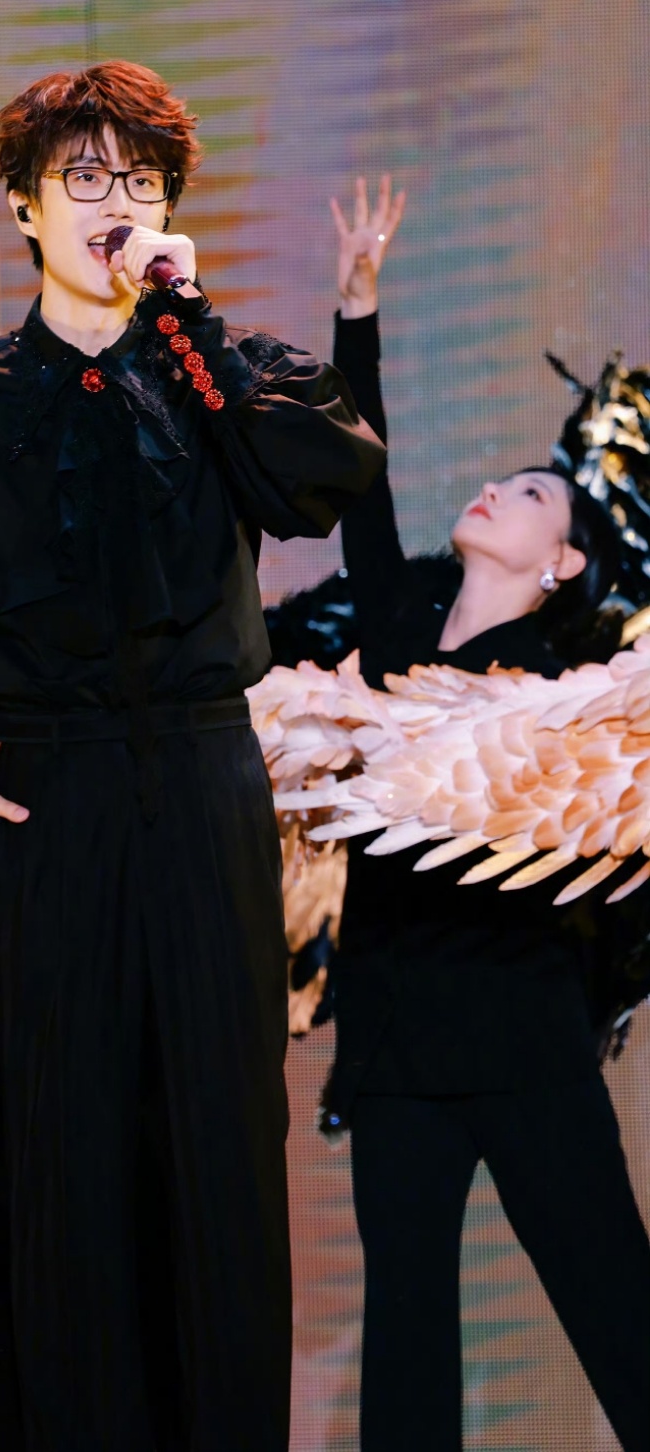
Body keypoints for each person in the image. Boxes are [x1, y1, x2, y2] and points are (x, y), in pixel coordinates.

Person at [0, 60, 385, 1449]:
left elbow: (326, 479)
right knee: (68, 1177)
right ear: (23, 206)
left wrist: (185, 317)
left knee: (223, 1164)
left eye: (142, 178)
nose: (116, 199)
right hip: (49, 803)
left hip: (206, 784)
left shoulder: (224, 371)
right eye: (84, 175)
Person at [325, 177, 650, 1450]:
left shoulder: (565, 690)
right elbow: (361, 493)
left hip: (523, 1039)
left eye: (527, 494)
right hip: (394, 1050)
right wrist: (357, 312)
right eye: (495, 482)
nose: (492, 492)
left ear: (559, 561)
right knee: (404, 1350)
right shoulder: (397, 632)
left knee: (618, 1316)